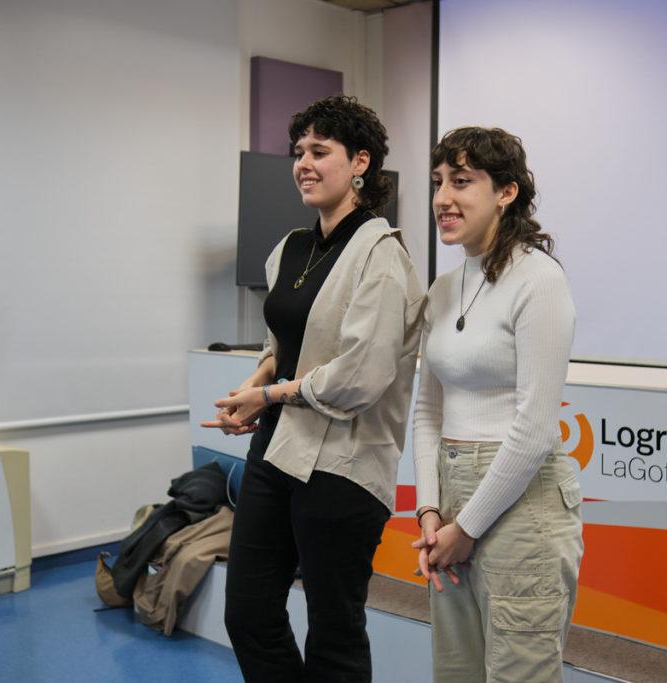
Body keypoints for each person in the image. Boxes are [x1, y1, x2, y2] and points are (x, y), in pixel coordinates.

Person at [202, 95, 425, 683]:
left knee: (334, 631)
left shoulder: (382, 256)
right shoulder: (291, 248)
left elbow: (359, 377)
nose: (303, 163)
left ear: (360, 162)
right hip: (276, 449)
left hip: (343, 464)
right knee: (248, 613)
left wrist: (269, 396)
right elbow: (281, 342)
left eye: (319, 151)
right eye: (298, 152)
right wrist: (253, 384)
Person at [412, 126, 583, 683]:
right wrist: (431, 512)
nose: (443, 197)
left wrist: (466, 528)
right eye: (438, 182)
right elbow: (427, 413)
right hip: (452, 497)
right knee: (456, 672)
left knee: (518, 674)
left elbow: (535, 430)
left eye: (462, 181)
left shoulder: (538, 280)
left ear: (506, 192)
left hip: (522, 501)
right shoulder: (442, 289)